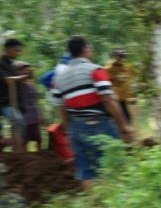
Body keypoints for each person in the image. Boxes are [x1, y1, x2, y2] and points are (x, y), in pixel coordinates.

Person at [51, 36, 133, 188]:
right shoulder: (95, 70)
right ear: (84, 49)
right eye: (89, 47)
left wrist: (69, 133)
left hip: (76, 128)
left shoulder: (58, 78)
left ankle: (93, 205)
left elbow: (61, 108)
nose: (91, 50)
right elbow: (108, 100)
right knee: (114, 164)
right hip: (98, 124)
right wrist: (123, 126)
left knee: (85, 172)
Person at [1, 38, 27, 151]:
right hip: (3, 102)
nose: (18, 53)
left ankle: (15, 151)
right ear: (8, 49)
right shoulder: (1, 63)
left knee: (19, 122)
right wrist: (22, 77)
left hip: (10, 101)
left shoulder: (11, 64)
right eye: (16, 50)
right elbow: (7, 80)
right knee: (18, 120)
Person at [105, 48, 137, 129]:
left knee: (128, 119)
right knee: (116, 120)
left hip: (126, 99)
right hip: (115, 99)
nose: (120, 58)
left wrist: (133, 96)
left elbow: (132, 82)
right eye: (119, 56)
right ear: (114, 56)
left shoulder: (128, 68)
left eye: (122, 56)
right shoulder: (108, 69)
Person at [14, 62, 43, 151]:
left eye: (29, 69)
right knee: (25, 139)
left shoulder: (31, 83)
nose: (29, 71)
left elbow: (35, 100)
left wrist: (40, 115)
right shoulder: (17, 84)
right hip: (24, 115)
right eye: (25, 69)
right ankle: (25, 157)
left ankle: (39, 155)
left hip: (34, 114)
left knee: (38, 138)